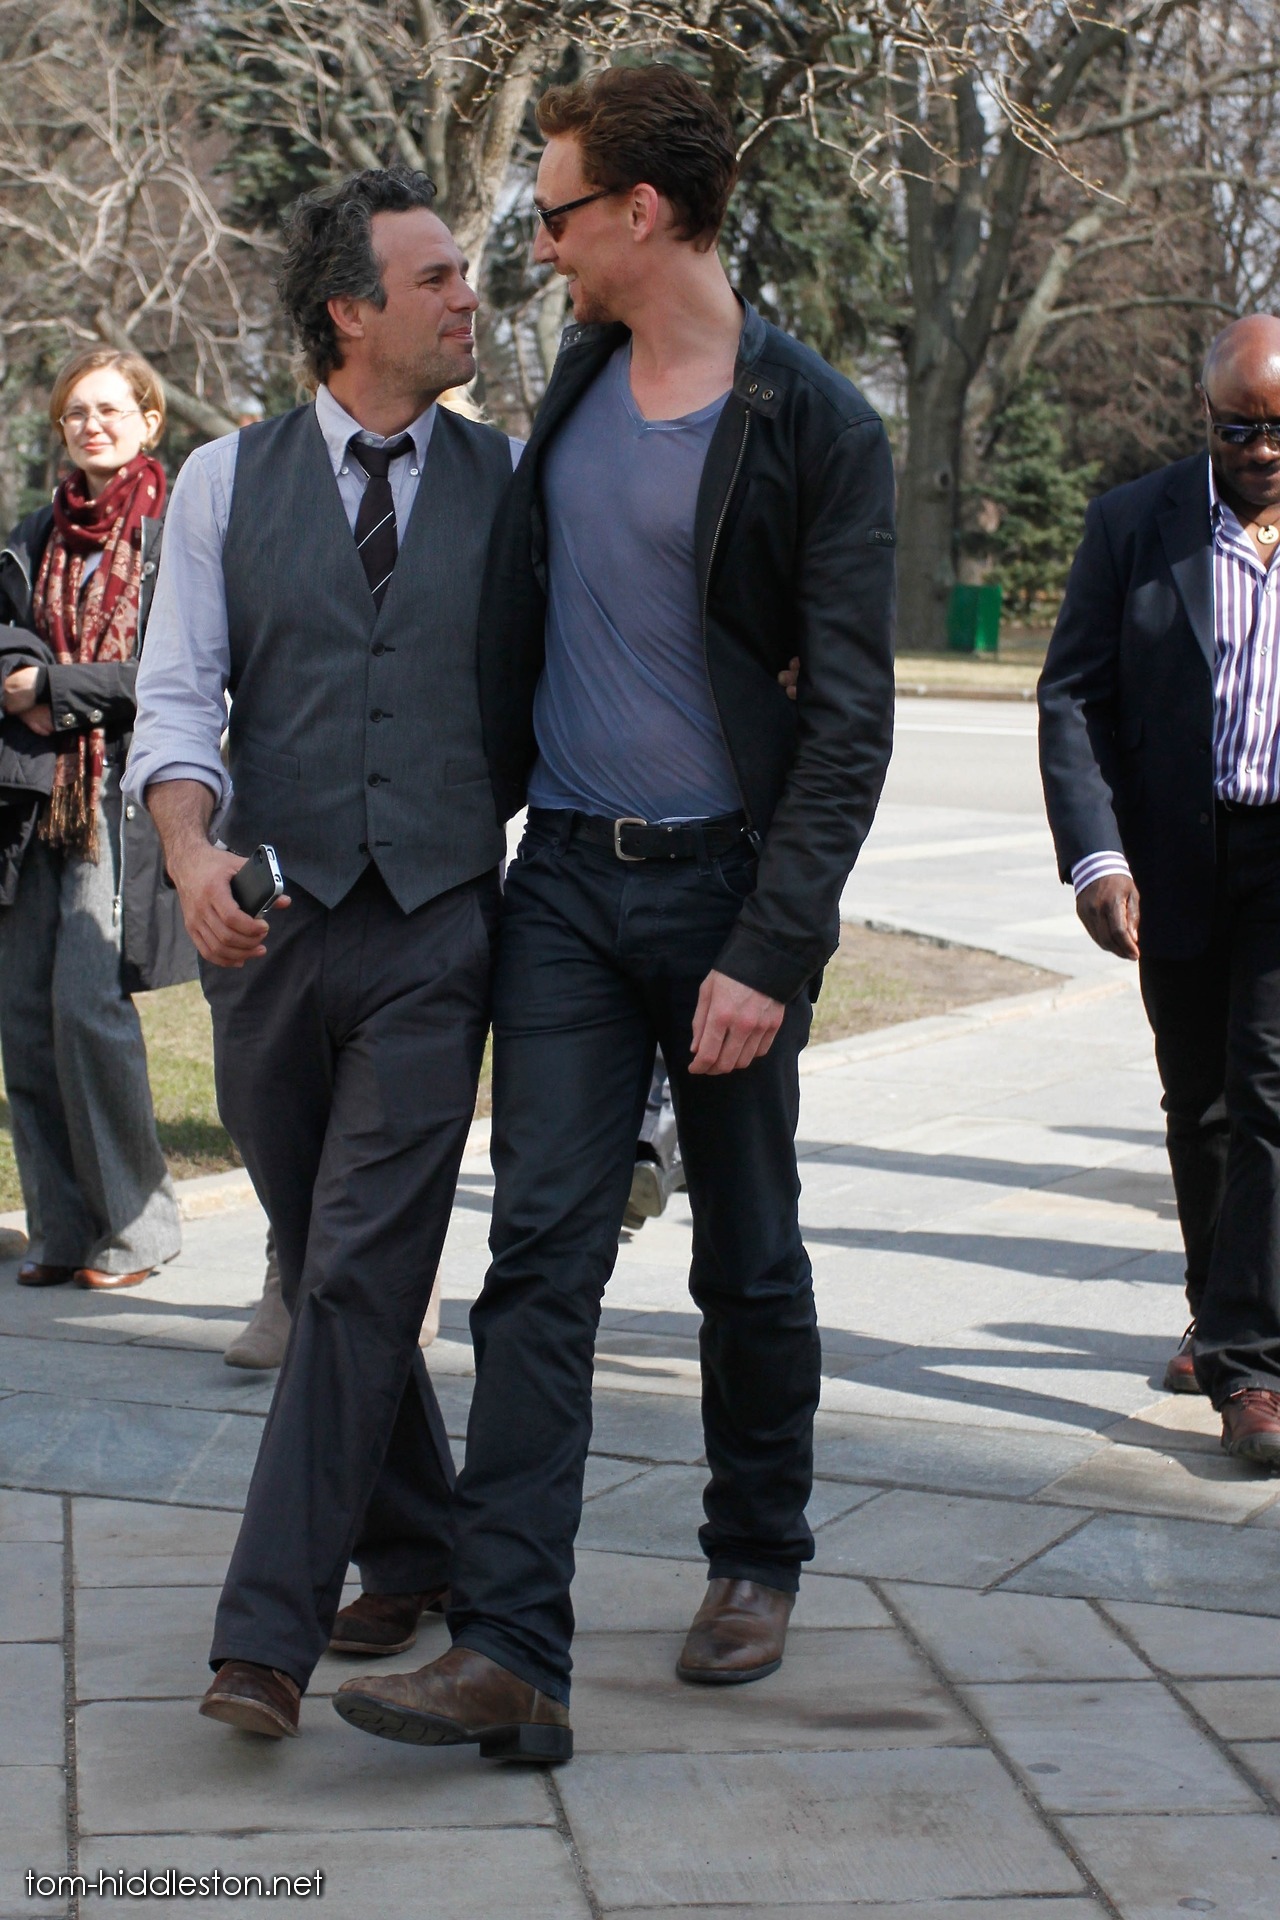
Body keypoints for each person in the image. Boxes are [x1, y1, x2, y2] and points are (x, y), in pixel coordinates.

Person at [334, 65, 896, 1764]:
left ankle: (756, 1553)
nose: (541, 244)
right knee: (537, 1261)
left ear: (643, 214)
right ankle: (511, 1646)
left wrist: (773, 948)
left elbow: (849, 717)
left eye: (561, 211)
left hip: (727, 890)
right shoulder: (576, 381)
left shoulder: (814, 423)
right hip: (569, 880)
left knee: (749, 1251)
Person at [126, 167, 518, 1738]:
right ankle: (420, 1544)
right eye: (435, 279)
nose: (468, 297)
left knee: (353, 1276)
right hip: (271, 932)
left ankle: (263, 1639)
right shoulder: (224, 481)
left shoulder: (515, 479)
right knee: (330, 1254)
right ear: (351, 310)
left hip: (437, 926)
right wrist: (188, 856)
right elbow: (177, 696)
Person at [1039, 312, 1280, 1468]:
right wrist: (1097, 857)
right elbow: (1072, 695)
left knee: (1268, 1090)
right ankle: (1214, 1310)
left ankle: (1251, 1366)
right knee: (1199, 1104)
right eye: (1239, 429)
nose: (1262, 450)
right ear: (1204, 417)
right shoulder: (1133, 525)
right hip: (1176, 855)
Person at [0, 347, 187, 1291]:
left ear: (149, 421)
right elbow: (6, 631)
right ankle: (62, 1230)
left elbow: (180, 667)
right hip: (30, 794)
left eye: (110, 409)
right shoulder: (35, 532)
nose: (91, 425)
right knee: (25, 1017)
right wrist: (15, 671)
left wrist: (55, 688)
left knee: (85, 1006)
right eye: (76, 412)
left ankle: (137, 1231)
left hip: (122, 790)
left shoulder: (175, 529)